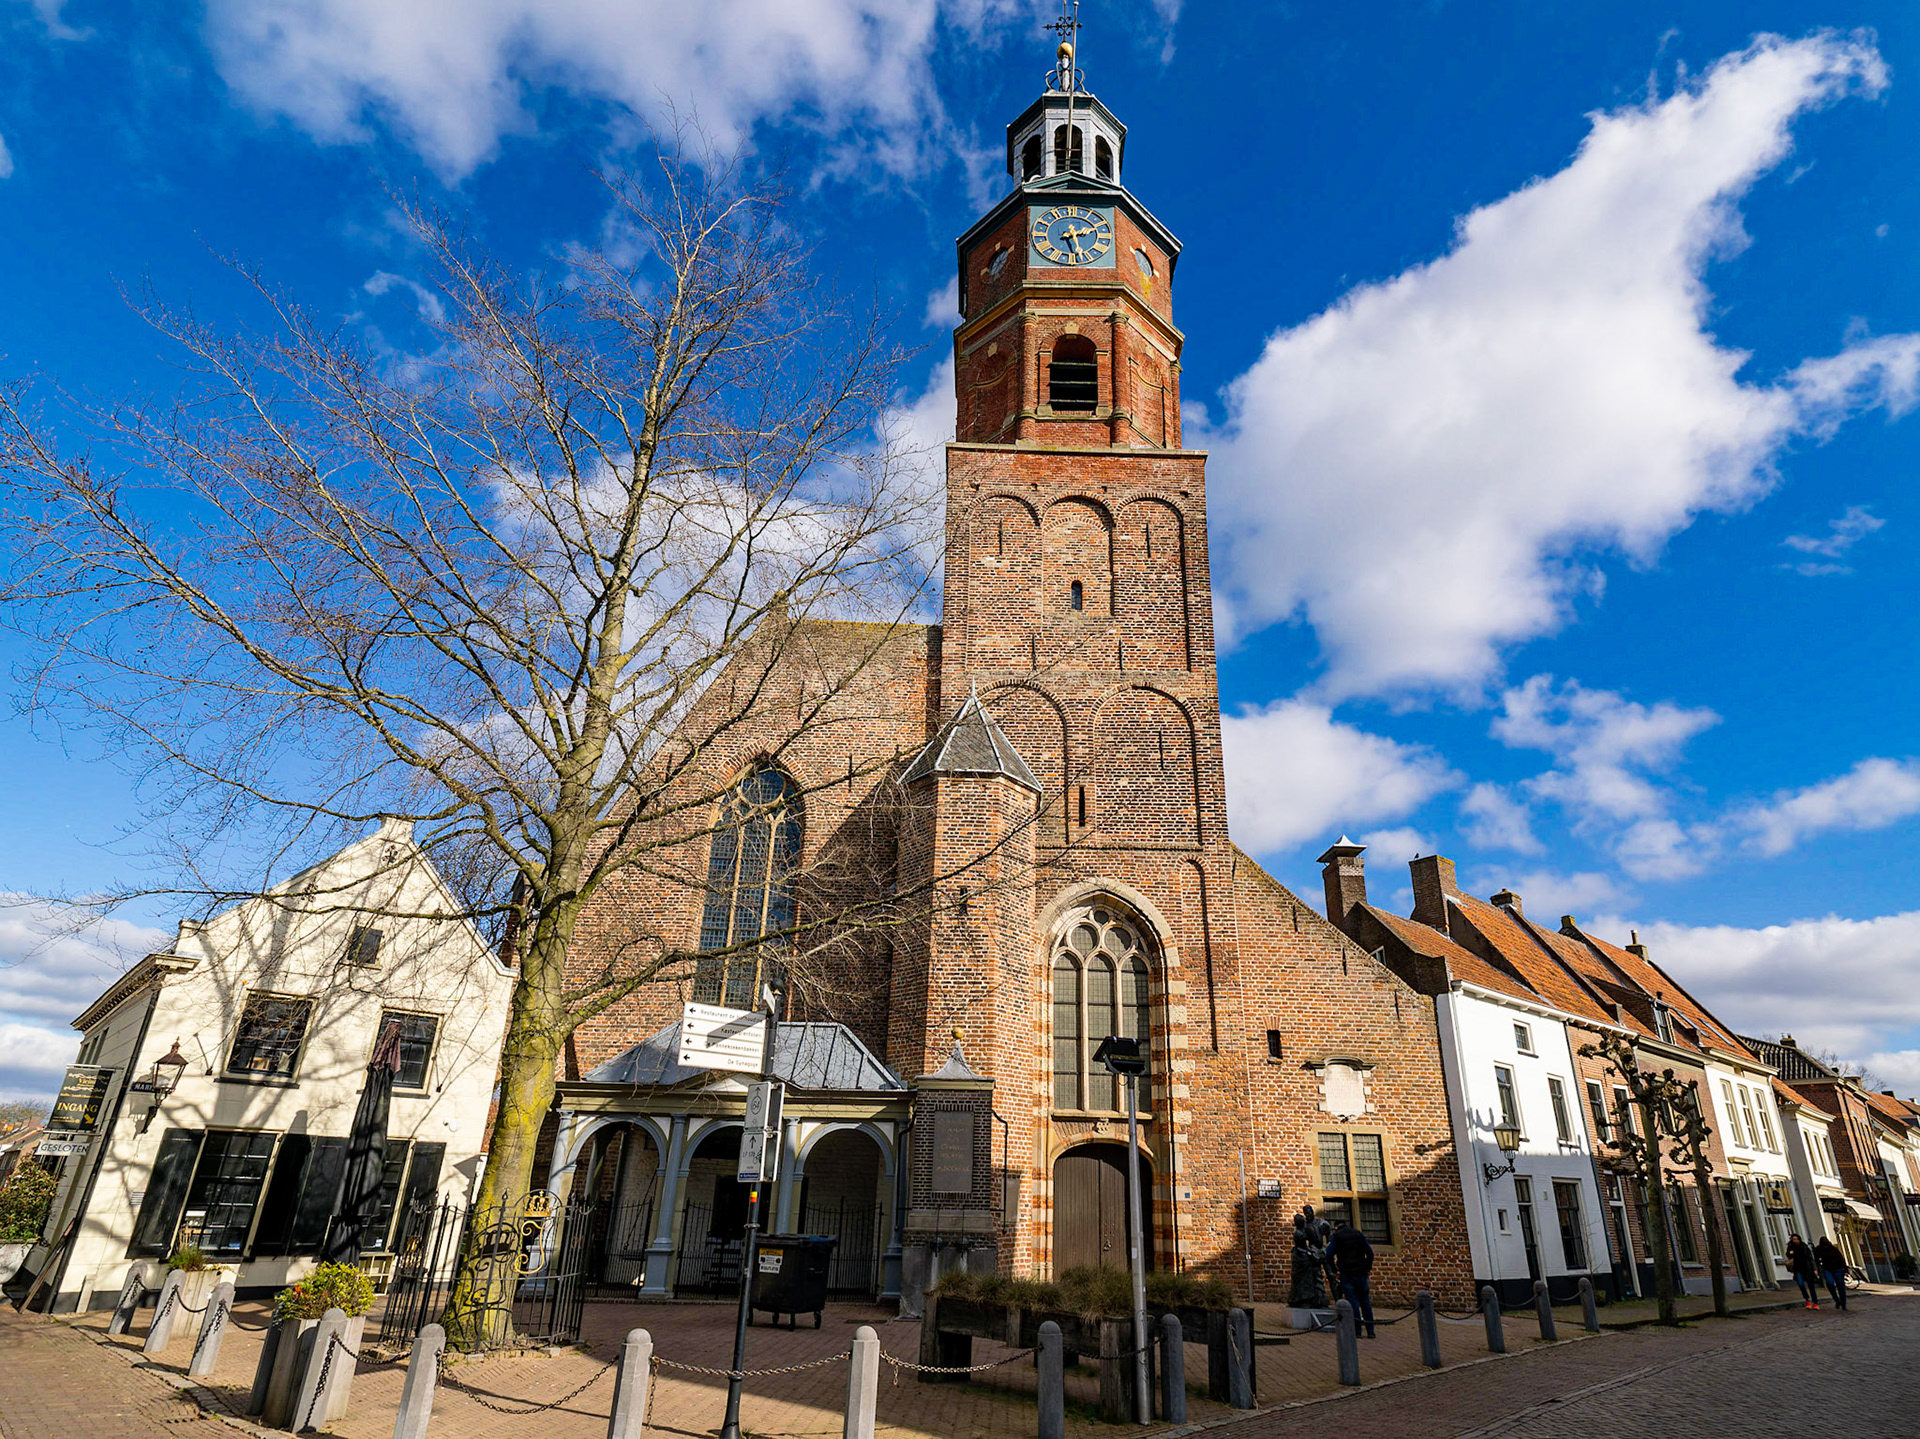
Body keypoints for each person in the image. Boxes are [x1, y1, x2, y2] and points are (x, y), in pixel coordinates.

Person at [1328, 1216, 1377, 1338]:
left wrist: (1335, 1270)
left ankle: (1357, 1331)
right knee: (1365, 1301)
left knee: (1353, 1302)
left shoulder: (1337, 1236)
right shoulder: (1358, 1234)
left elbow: (1328, 1254)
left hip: (1347, 1273)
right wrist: (1367, 1268)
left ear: (1336, 1227)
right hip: (1361, 1273)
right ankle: (1370, 1331)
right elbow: (1370, 1253)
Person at [1813, 1235, 1849, 1311]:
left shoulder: (1833, 1249)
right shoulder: (1818, 1250)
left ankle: (1843, 1303)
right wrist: (1817, 1269)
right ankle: (1836, 1300)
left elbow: (1841, 1259)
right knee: (1830, 1284)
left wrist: (1845, 1270)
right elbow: (1816, 1260)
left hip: (1838, 1269)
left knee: (1840, 1287)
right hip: (1827, 1269)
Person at [1784, 1233, 1819, 1309]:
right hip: (1797, 1269)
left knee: (1811, 1286)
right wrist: (1790, 1253)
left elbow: (1810, 1259)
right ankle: (1807, 1300)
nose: (1795, 1241)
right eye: (1794, 1239)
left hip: (1807, 1269)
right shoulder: (1791, 1247)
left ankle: (1815, 1302)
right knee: (1801, 1284)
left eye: (1796, 1239)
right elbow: (1788, 1256)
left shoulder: (1804, 1247)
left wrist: (1815, 1269)